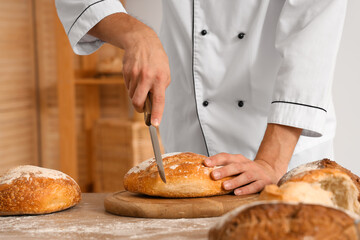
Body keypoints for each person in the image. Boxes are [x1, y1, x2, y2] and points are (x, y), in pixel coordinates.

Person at [55, 0, 347, 195]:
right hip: (190, 139)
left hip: (286, 147)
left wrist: (271, 162)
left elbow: (312, 34)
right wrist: (135, 33)